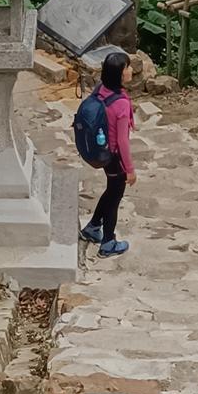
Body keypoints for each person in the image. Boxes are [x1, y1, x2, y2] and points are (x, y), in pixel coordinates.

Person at [80, 48, 135, 258]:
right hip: (114, 157)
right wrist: (129, 169)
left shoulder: (101, 90)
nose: (131, 70)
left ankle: (93, 227)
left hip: (102, 151)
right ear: (120, 74)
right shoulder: (120, 103)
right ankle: (108, 242)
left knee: (111, 191)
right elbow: (122, 141)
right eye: (127, 67)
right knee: (115, 197)